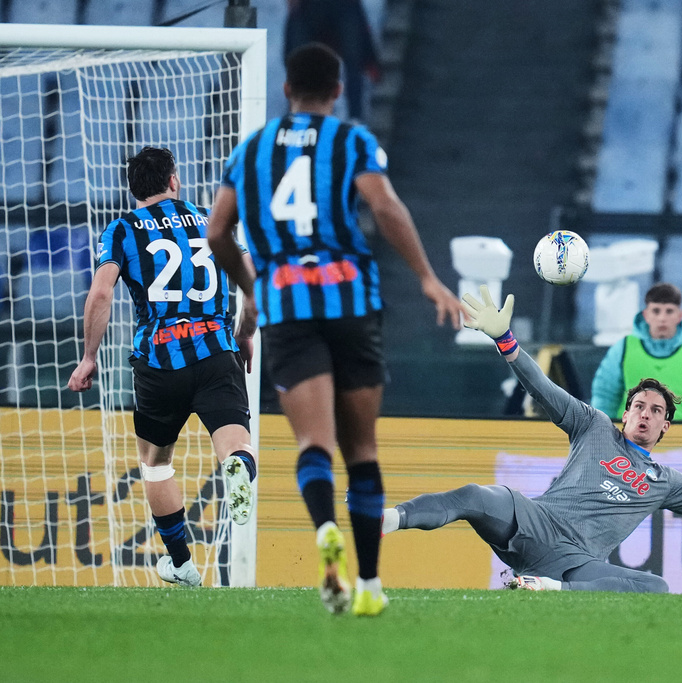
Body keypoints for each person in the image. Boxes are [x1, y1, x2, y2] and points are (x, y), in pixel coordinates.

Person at [206, 43, 464, 616]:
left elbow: (217, 231)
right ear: (339, 90)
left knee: (313, 444)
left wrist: (254, 290)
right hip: (351, 300)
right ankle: (370, 585)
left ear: (285, 89)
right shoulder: (351, 141)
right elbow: (386, 206)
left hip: (288, 306)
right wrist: (426, 277)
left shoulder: (249, 152)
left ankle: (325, 529)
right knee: (362, 448)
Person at [380, 285, 682, 593]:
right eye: (640, 408)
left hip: (576, 561)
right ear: (625, 413)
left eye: (657, 412)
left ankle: (545, 588)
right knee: (474, 495)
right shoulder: (591, 425)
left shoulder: (666, 481)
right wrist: (506, 341)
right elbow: (542, 389)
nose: (646, 416)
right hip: (533, 520)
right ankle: (386, 519)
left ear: (666, 427)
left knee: (656, 589)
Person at [68, 146, 258, 588]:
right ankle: (237, 468)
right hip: (216, 350)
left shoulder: (121, 230)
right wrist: (244, 334)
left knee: (156, 464)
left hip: (158, 360)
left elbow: (100, 295)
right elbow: (253, 287)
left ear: (134, 190)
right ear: (174, 180)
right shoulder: (215, 220)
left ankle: (181, 564)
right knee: (235, 444)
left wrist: (89, 357)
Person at [591, 282, 682, 423]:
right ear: (646, 315)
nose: (662, 318)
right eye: (656, 311)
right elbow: (604, 399)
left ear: (680, 316)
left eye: (669, 311)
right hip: (630, 440)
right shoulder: (622, 349)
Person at [284, 0, 380, 121]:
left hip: (344, 6)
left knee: (354, 60)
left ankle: (356, 119)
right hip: (307, 7)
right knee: (297, 60)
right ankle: (296, 117)